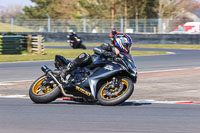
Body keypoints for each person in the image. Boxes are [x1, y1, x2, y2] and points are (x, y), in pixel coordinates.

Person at [61, 33, 133, 77]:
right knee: (85, 55)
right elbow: (96, 49)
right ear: (122, 42)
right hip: (92, 62)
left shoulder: (120, 56)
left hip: (100, 70)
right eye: (128, 45)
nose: (129, 47)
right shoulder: (108, 46)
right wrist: (109, 54)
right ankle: (67, 68)